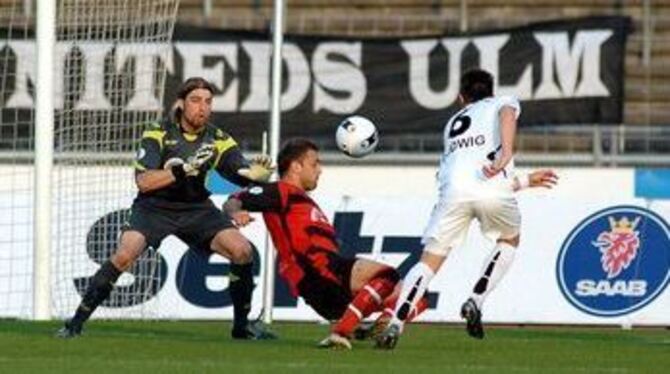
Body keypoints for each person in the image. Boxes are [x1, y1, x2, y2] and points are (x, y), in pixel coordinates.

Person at [58, 77, 276, 340]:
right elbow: (144, 181)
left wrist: (256, 174)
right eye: (195, 101)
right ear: (182, 104)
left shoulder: (219, 139)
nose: (202, 108)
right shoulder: (158, 132)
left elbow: (238, 169)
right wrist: (182, 170)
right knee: (125, 254)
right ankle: (75, 323)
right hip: (154, 208)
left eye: (207, 102)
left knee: (242, 251)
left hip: (197, 209)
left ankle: (241, 328)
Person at [376, 69, 558, 349]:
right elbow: (508, 113)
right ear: (491, 92)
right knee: (510, 238)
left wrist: (522, 180)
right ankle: (476, 299)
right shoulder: (502, 102)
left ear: (462, 98)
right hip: (493, 186)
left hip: (452, 193)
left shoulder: (452, 124)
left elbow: (463, 175)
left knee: (429, 261)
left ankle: (395, 323)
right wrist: (507, 153)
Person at [222, 138, 429, 350]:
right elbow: (233, 201)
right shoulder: (281, 191)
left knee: (417, 294)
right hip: (318, 273)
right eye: (314, 164)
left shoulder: (302, 199)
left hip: (331, 286)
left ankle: (381, 324)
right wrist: (236, 212)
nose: (320, 170)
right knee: (387, 274)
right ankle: (342, 332)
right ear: (295, 166)